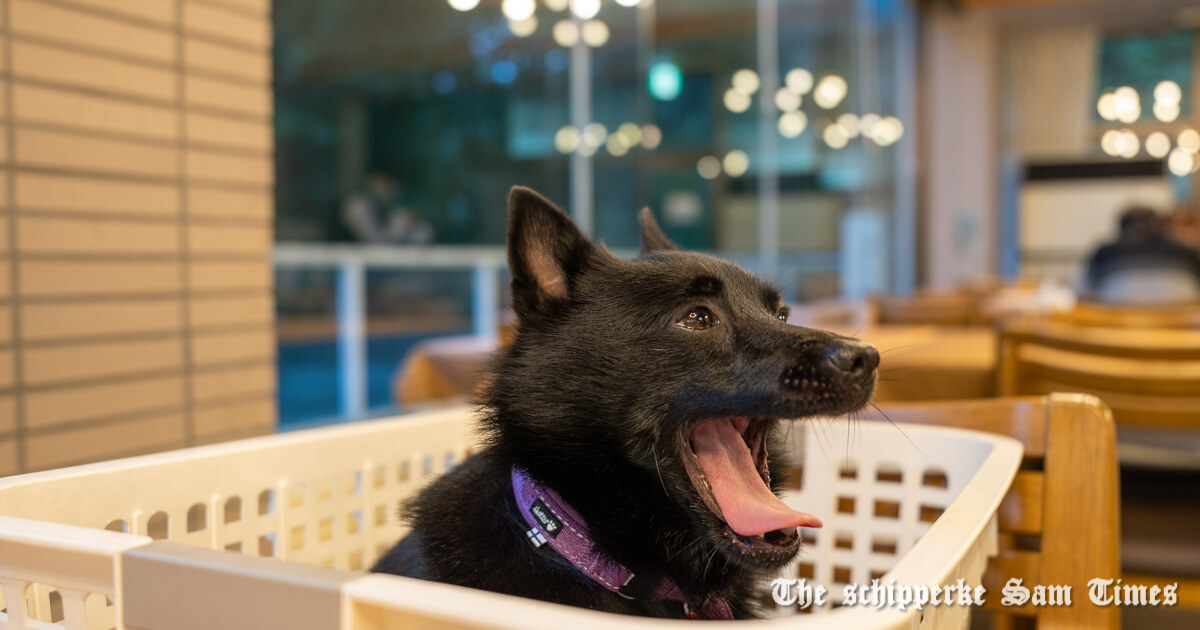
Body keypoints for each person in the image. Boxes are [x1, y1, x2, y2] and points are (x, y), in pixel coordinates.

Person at [1084, 206, 1200, 304]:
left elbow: (1082, 296)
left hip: (1118, 327)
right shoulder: (1187, 254)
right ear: (1160, 227)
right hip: (1180, 328)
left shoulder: (1103, 254)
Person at [342, 173, 435, 244]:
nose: (393, 191)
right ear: (375, 179)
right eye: (388, 184)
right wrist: (399, 227)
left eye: (395, 187)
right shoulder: (357, 204)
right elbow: (373, 243)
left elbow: (426, 234)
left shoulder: (388, 207)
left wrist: (411, 225)